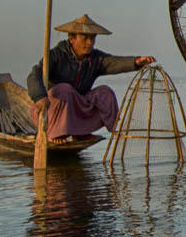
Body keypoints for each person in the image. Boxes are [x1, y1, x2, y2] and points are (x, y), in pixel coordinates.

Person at [27, 13, 155, 141]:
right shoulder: (57, 55)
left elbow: (113, 62)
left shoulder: (95, 59)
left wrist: (137, 61)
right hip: (52, 111)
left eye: (92, 39)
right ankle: (56, 134)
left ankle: (83, 132)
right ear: (72, 39)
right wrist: (40, 97)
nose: (89, 43)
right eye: (85, 38)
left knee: (105, 93)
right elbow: (35, 74)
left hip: (76, 108)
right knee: (65, 90)